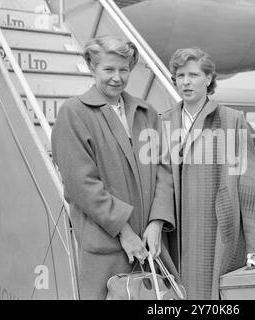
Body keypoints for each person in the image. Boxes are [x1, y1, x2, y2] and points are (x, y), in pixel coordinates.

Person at [51, 35, 175, 299]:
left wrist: (156, 222)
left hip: (151, 244)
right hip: (108, 245)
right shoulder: (73, 113)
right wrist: (124, 231)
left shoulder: (147, 113)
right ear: (91, 66)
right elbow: (81, 184)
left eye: (124, 69)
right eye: (108, 69)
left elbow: (164, 171)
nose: (116, 77)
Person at [150, 47, 255, 299]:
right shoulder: (164, 121)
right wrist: (156, 221)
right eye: (180, 75)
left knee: (218, 296)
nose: (185, 82)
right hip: (177, 235)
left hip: (219, 231)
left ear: (208, 79)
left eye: (193, 75)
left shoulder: (232, 120)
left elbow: (250, 187)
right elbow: (161, 180)